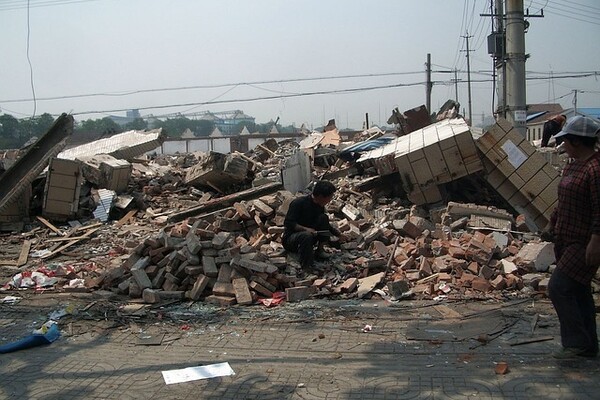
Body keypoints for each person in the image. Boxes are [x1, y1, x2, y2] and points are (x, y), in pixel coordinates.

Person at [546, 115, 600, 359]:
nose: (562, 146)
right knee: (579, 290)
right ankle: (589, 343)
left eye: (565, 141)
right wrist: (552, 221)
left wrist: (596, 241)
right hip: (565, 238)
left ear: (577, 142)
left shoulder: (595, 168)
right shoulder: (572, 164)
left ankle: (576, 344)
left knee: (559, 287)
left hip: (584, 241)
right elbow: (563, 198)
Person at [283, 180, 346, 269]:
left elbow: (326, 225)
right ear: (321, 196)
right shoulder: (298, 203)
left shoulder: (319, 206)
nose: (330, 200)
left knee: (323, 218)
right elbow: (288, 223)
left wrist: (339, 234)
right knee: (306, 235)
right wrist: (305, 229)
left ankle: (320, 250)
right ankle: (306, 267)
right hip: (291, 240)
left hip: (310, 237)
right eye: (329, 197)